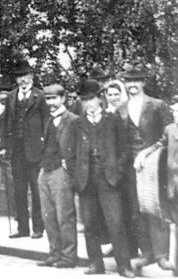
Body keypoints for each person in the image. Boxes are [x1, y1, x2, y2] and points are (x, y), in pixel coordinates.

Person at [73, 79, 134, 277]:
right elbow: (71, 153)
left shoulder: (113, 120)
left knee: (115, 222)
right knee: (89, 224)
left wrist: (117, 171)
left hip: (109, 179)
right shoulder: (78, 123)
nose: (88, 103)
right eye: (84, 100)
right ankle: (95, 264)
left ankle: (124, 266)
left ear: (100, 99)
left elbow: (125, 149)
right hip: (86, 180)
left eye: (91, 99)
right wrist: (77, 175)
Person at [117, 64, 174, 272]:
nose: (132, 85)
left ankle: (162, 255)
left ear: (143, 82)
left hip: (154, 168)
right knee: (136, 211)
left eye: (136, 81)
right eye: (129, 81)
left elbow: (169, 137)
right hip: (131, 170)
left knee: (156, 209)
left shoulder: (158, 105)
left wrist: (149, 152)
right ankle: (147, 253)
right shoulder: (120, 109)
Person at [2, 58, 46, 239]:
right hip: (16, 150)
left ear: (32, 76)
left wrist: (46, 148)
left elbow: (46, 123)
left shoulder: (40, 96)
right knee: (18, 190)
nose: (23, 80)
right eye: (19, 77)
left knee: (36, 190)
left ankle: (38, 228)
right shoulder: (11, 97)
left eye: (26, 75)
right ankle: (22, 228)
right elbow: (6, 124)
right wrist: (4, 147)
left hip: (35, 150)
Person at [36, 84, 79, 268]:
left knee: (65, 215)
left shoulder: (73, 120)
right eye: (48, 99)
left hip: (60, 172)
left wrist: (68, 166)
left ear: (63, 98)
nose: (51, 103)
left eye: (54, 98)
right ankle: (54, 253)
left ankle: (68, 257)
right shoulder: (48, 118)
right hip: (45, 170)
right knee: (48, 216)